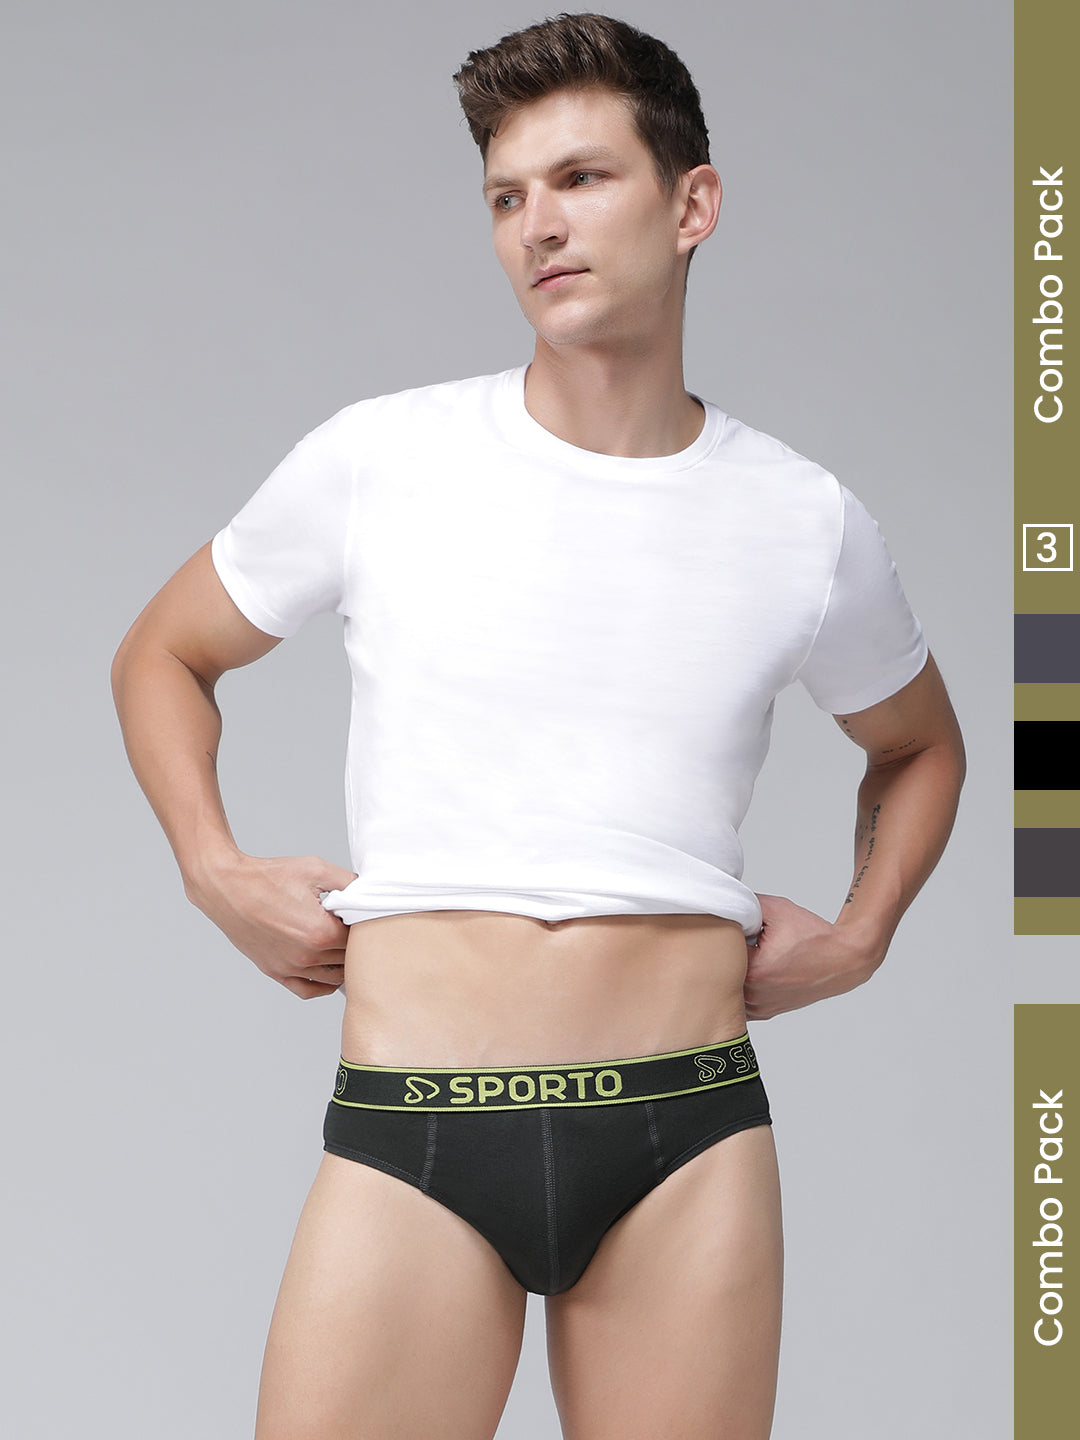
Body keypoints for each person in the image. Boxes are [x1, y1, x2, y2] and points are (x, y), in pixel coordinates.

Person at [111, 12, 965, 1439]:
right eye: (507, 196)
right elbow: (161, 653)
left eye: (580, 179)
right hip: (417, 1121)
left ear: (691, 203)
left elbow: (922, 743)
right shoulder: (382, 459)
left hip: (685, 1132)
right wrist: (212, 868)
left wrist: (865, 933)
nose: (538, 226)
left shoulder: (803, 519)